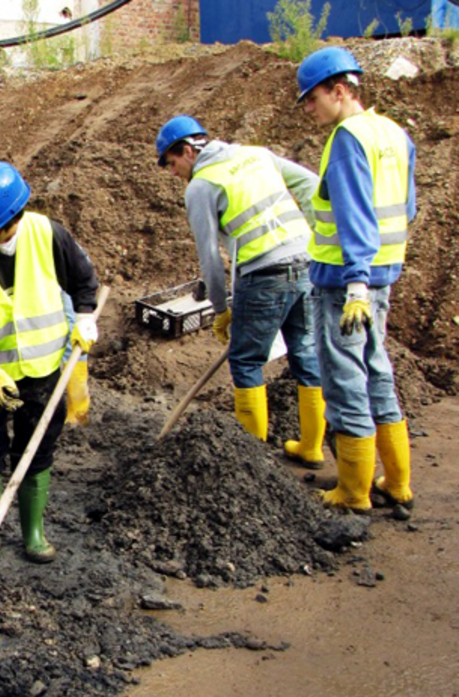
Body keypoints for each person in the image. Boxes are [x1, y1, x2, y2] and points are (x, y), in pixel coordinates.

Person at [0, 162, 99, 563]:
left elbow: (84, 281)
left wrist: (84, 318)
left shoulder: (47, 234)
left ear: (16, 216)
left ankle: (33, 533)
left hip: (43, 371)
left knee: (38, 447)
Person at [156, 115, 327, 467]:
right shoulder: (255, 154)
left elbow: (209, 256)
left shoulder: (201, 186)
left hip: (264, 274)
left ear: (188, 151)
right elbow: (311, 183)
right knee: (306, 354)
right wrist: (316, 236)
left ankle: (253, 463)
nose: (173, 173)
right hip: (308, 262)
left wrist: (220, 309)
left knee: (247, 360)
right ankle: (312, 448)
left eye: (172, 164)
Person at [296, 47, 417, 513]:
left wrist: (355, 285)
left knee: (346, 377)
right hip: (382, 276)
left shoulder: (348, 138)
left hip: (346, 285)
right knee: (378, 370)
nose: (309, 109)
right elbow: (406, 209)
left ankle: (353, 491)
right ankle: (397, 482)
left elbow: (353, 216)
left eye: (312, 99)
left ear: (339, 90)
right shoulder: (393, 132)